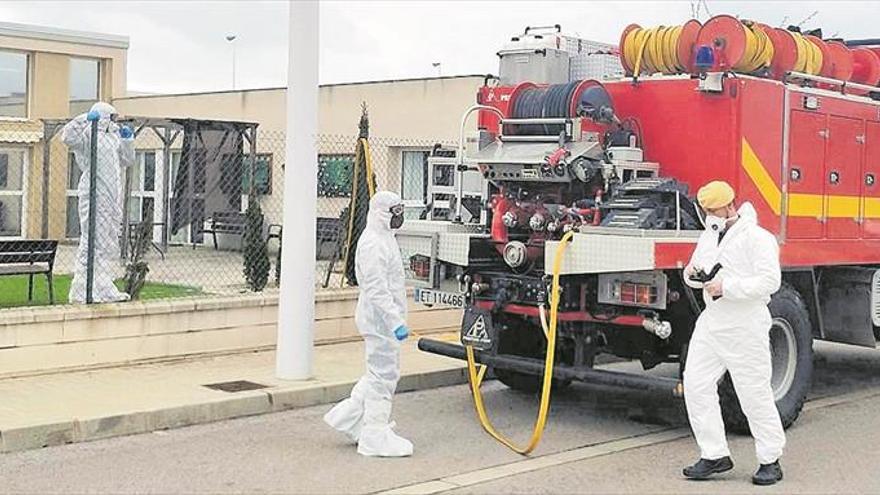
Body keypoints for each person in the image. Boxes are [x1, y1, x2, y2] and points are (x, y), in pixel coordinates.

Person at [681, 180, 785, 486]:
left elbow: (769, 282)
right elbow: (696, 268)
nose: (710, 215)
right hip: (713, 321)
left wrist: (728, 286)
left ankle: (770, 459)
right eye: (706, 211)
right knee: (696, 384)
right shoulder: (709, 236)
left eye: (714, 209)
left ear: (730, 205)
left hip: (746, 323)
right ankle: (714, 454)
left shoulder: (758, 238)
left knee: (754, 392)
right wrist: (694, 276)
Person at [324, 191, 413, 457]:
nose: (398, 218)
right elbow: (376, 289)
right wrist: (395, 321)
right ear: (381, 213)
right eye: (394, 213)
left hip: (382, 319)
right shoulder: (373, 243)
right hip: (379, 319)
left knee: (379, 372)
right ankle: (375, 435)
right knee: (383, 377)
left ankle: (349, 418)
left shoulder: (385, 237)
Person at [62, 102, 135, 304]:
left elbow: (127, 161)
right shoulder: (87, 134)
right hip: (94, 194)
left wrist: (128, 141)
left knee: (107, 244)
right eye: (112, 117)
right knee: (91, 242)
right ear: (103, 116)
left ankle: (103, 287)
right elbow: (67, 137)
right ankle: (81, 289)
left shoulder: (113, 138)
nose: (115, 121)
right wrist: (85, 118)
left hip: (112, 195)